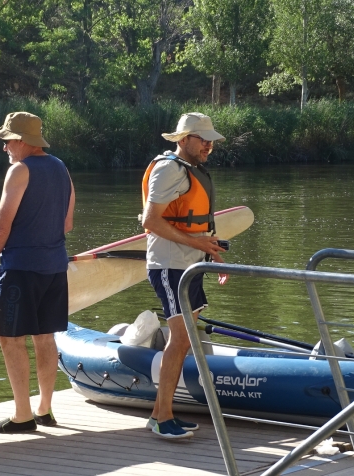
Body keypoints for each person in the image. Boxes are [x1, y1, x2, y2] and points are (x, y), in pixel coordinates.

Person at [0, 111, 75, 433]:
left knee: (10, 340)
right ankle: (44, 410)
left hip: (21, 271)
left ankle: (22, 416)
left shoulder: (19, 171)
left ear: (22, 141)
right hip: (55, 269)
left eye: (7, 141)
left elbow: (1, 226)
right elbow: (67, 224)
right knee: (44, 337)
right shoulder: (62, 168)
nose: (5, 148)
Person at [141, 112, 228, 439]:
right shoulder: (168, 169)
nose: (209, 144)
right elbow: (151, 221)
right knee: (179, 340)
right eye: (202, 138)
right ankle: (162, 418)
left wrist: (211, 253)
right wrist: (196, 243)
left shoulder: (191, 171)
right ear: (183, 140)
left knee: (184, 340)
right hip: (169, 265)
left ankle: (160, 415)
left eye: (211, 139)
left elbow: (194, 223)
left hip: (188, 264)